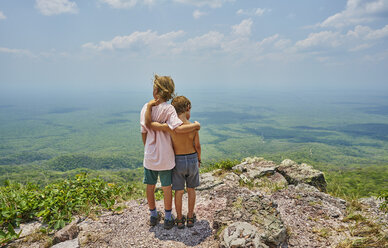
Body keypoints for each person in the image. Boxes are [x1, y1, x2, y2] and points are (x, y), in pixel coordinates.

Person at [140, 75, 200, 230]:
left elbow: (145, 131)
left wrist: (148, 148)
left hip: (152, 156)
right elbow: (179, 129)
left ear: (156, 90)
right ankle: (169, 217)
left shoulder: (146, 109)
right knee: (168, 187)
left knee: (151, 186)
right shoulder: (169, 110)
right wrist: (195, 126)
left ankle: (156, 215)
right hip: (169, 157)